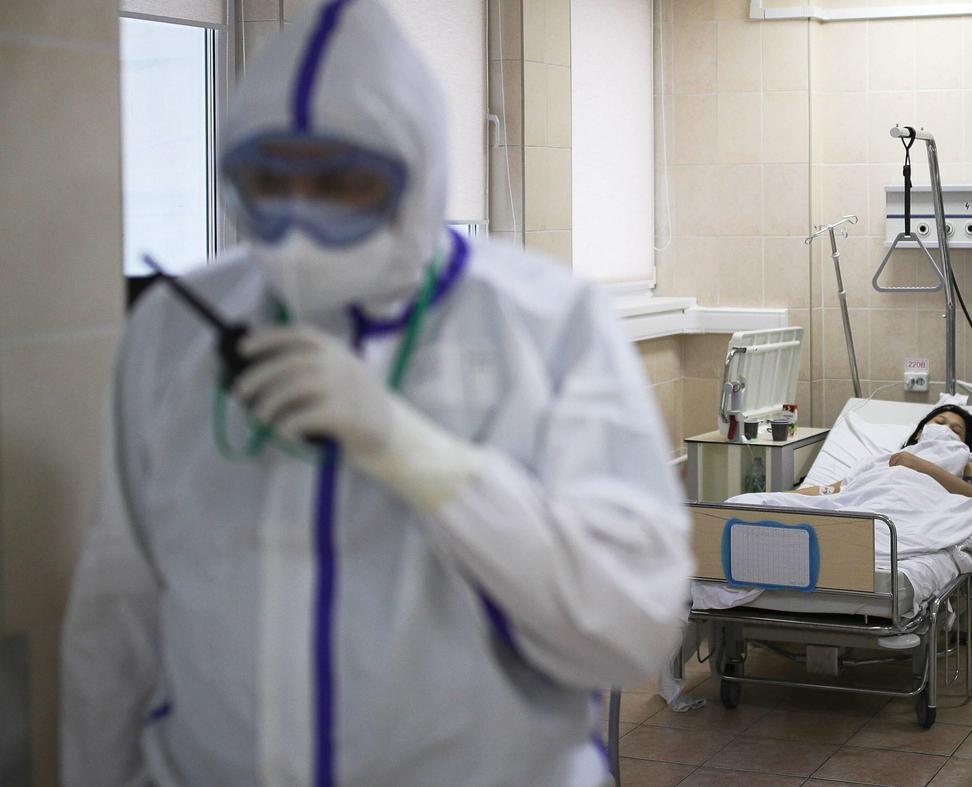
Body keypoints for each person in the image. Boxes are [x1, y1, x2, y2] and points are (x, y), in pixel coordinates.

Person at [61, 2, 691, 785]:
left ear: (417, 179)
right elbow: (115, 618)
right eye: (267, 181)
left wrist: (414, 453)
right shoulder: (175, 332)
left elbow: (630, 621)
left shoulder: (546, 324)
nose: (298, 224)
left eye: (343, 184)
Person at [791, 404, 972, 506]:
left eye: (955, 430)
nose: (945, 429)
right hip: (863, 505)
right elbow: (833, 490)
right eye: (939, 422)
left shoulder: (966, 463)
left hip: (908, 510)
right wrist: (785, 497)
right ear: (919, 432)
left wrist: (919, 465)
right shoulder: (882, 460)